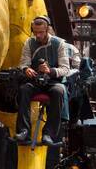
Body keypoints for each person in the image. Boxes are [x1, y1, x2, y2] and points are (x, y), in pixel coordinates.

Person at [15, 16, 70, 147]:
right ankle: (24, 131)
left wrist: (50, 71)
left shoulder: (59, 43)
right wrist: (26, 69)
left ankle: (49, 134)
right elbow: (23, 63)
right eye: (35, 32)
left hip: (52, 81)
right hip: (35, 80)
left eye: (41, 32)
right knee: (24, 90)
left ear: (47, 30)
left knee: (59, 90)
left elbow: (65, 69)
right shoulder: (29, 42)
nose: (38, 35)